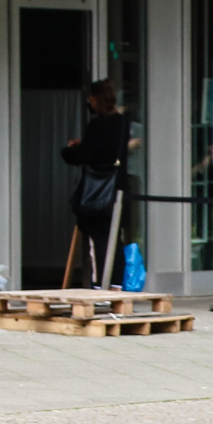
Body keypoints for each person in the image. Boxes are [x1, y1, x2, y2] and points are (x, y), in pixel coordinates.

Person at [60, 79, 135, 286]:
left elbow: (87, 155)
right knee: (114, 240)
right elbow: (108, 150)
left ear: (95, 99)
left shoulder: (97, 124)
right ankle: (117, 286)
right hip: (118, 189)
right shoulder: (122, 123)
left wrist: (69, 150)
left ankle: (100, 285)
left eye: (90, 98)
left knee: (98, 241)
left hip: (99, 193)